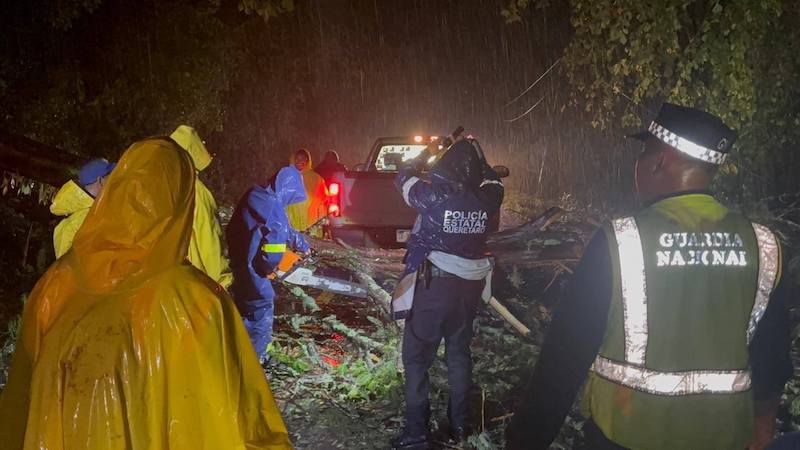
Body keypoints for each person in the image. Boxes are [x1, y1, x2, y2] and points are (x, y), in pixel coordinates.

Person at [505, 103, 792, 450]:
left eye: (644, 153)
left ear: (660, 161)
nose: (637, 165)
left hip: (625, 436)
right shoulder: (764, 245)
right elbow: (771, 356)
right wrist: (762, 427)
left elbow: (565, 356)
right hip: (724, 437)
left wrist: (526, 439)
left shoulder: (620, 240)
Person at [0, 138, 292, 449]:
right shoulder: (196, 301)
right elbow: (246, 419)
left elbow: (20, 403)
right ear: (182, 204)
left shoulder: (55, 285)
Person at [390, 137, 504, 450]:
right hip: (468, 290)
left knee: (416, 360)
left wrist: (431, 151)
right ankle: (459, 428)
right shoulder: (489, 197)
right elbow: (492, 178)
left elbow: (403, 173)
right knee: (458, 356)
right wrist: (478, 153)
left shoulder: (432, 195)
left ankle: (416, 434)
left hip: (433, 289)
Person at [227, 165, 311, 361]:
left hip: (240, 262)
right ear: (287, 189)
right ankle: (256, 360)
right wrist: (269, 268)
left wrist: (300, 242)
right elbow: (274, 246)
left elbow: (279, 227)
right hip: (254, 268)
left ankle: (238, 354)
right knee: (262, 305)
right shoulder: (273, 206)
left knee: (245, 308)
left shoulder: (256, 195)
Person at [170, 125, 233, 289]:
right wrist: (222, 281)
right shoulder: (197, 191)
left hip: (174, 280)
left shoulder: (166, 186)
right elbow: (209, 239)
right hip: (201, 280)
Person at [50, 158, 115, 258]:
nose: (112, 181)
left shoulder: (91, 210)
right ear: (99, 181)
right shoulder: (79, 219)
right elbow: (68, 265)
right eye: (108, 177)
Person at [286, 148, 328, 236]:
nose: (299, 161)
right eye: (297, 158)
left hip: (311, 226)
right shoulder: (287, 177)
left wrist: (319, 225)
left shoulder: (317, 179)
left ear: (308, 161)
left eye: (303, 159)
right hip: (292, 223)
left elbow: (323, 203)